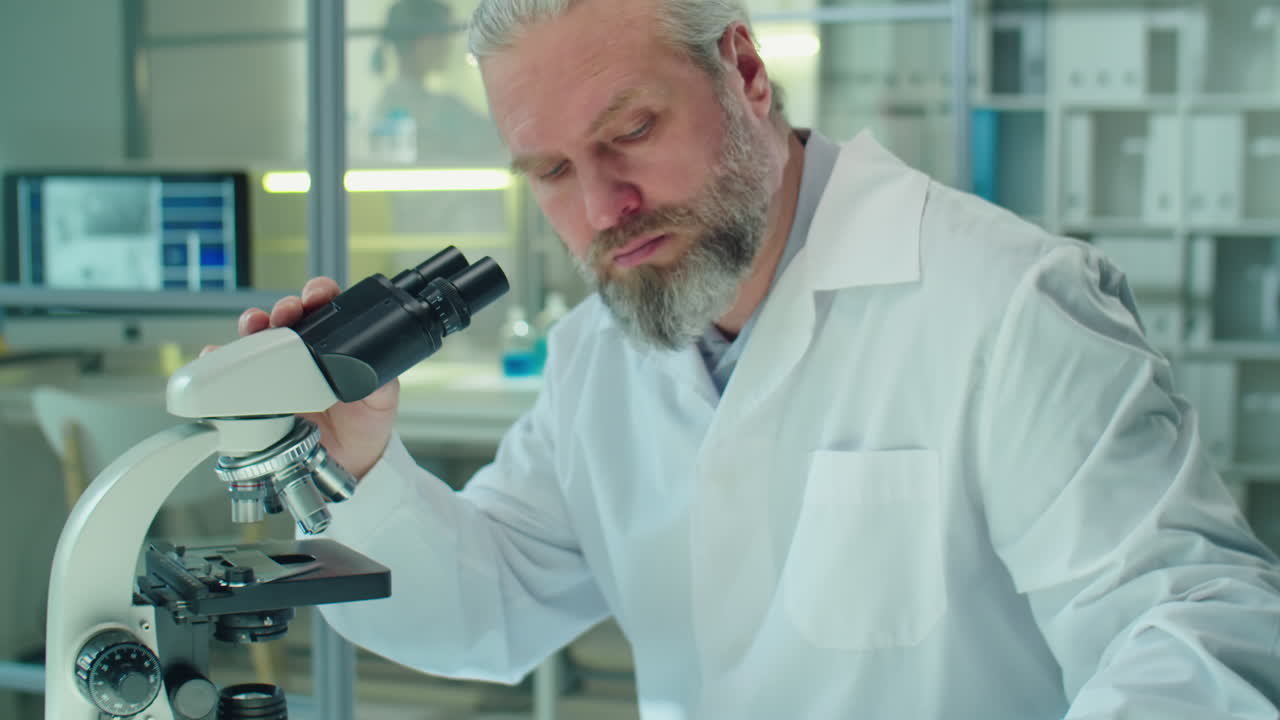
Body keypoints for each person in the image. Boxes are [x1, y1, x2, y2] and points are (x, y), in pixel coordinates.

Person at [239, 0, 1280, 715]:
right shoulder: (597, 357)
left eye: (631, 131)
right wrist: (358, 462)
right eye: (551, 170)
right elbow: (487, 609)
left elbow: (1191, 623)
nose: (602, 206)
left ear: (743, 72)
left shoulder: (1007, 303)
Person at [368, 0, 504, 166]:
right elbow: (499, 142)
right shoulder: (439, 109)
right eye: (444, 35)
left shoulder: (388, 102)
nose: (449, 44)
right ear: (424, 41)